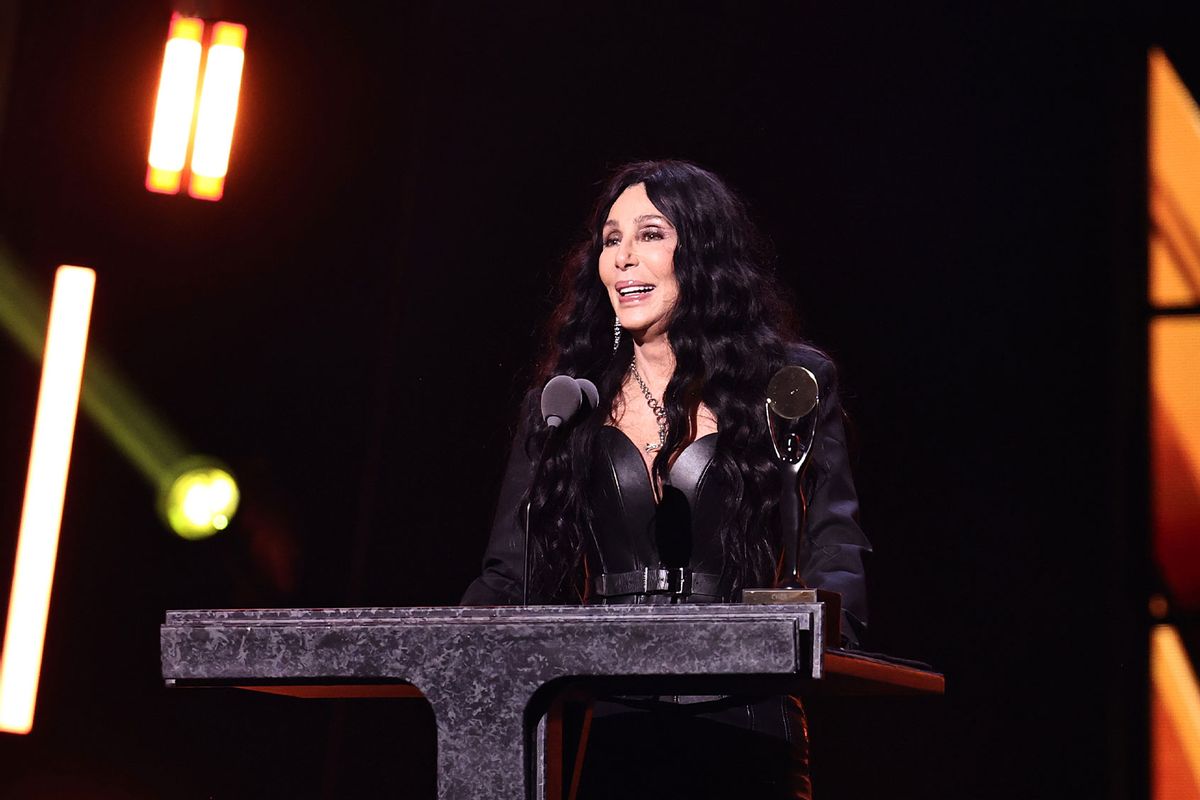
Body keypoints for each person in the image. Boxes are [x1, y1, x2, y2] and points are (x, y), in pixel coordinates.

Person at [462, 160, 870, 799]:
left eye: (649, 235)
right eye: (610, 239)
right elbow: (507, 574)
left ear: (701, 251)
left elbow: (834, 542)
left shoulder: (787, 382)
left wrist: (824, 640)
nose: (623, 258)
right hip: (613, 725)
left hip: (748, 716)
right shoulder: (568, 399)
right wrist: (444, 652)